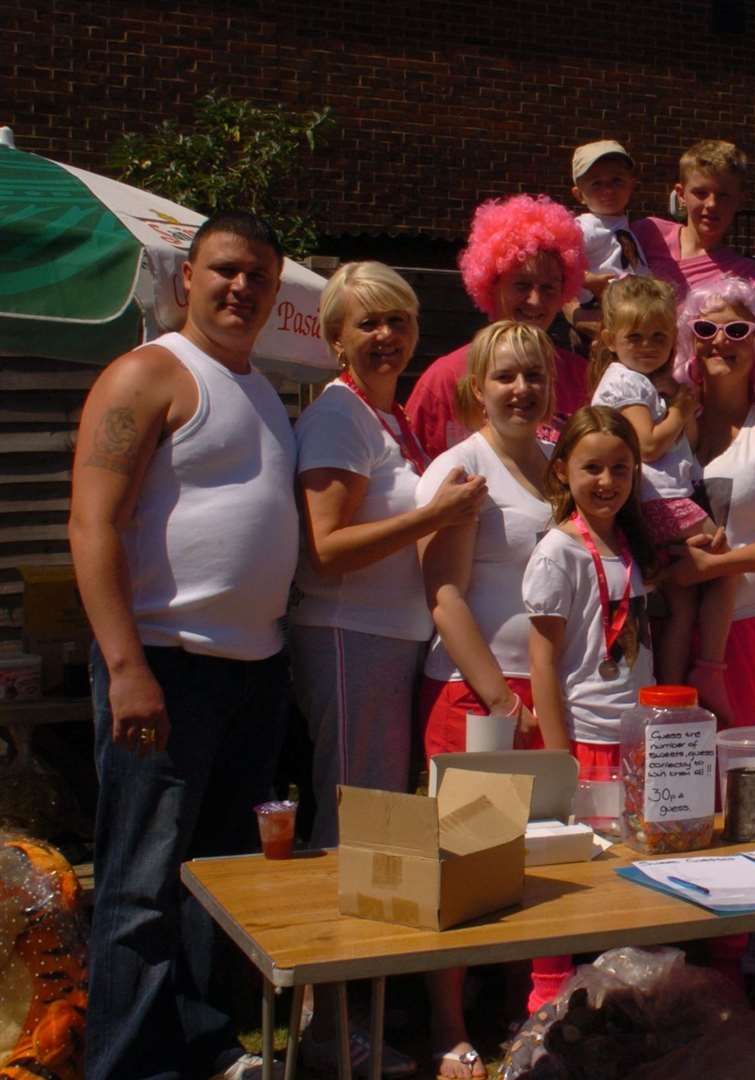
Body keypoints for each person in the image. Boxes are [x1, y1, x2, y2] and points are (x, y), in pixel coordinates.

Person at [69, 211, 295, 1080]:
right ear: (188, 276)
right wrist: (126, 667)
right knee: (137, 888)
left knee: (220, 883)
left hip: (252, 671)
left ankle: (203, 1044)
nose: (241, 289)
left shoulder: (265, 388)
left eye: (258, 278)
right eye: (226, 271)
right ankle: (126, 1067)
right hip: (164, 664)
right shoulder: (148, 374)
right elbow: (92, 524)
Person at [290, 262, 484, 1077]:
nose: (385, 336)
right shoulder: (339, 417)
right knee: (350, 832)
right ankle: (330, 1029)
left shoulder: (391, 418)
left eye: (397, 321)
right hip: (347, 636)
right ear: (335, 336)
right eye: (366, 323)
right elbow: (325, 551)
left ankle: (355, 1013)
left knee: (373, 827)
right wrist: (436, 515)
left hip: (388, 641)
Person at [415, 320, 558, 1078]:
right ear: (477, 387)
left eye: (533, 375)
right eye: (505, 375)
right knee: (463, 866)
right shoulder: (461, 468)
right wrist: (500, 698)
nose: (520, 389)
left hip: (543, 693)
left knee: (533, 863)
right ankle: (447, 1027)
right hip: (478, 695)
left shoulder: (555, 465)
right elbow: (441, 595)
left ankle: (519, 1011)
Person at [523, 405, 659, 1012]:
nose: (607, 481)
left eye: (621, 468)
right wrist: (560, 757)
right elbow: (543, 662)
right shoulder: (558, 551)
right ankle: (547, 1005)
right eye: (592, 468)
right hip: (585, 741)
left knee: (627, 877)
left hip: (635, 738)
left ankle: (617, 1006)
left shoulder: (630, 545)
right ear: (562, 474)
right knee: (570, 879)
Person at [669, 275, 755, 726]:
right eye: (705, 330)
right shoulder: (667, 427)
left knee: (745, 787)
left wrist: (713, 568)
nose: (719, 342)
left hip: (746, 639)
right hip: (667, 630)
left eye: (737, 331)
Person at [588, 275, 732, 686]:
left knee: (683, 604)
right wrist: (681, 410)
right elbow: (648, 445)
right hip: (659, 502)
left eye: (659, 336)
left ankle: (671, 685)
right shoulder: (627, 382)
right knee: (728, 560)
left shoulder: (646, 382)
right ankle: (707, 669)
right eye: (636, 337)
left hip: (660, 499)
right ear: (610, 339)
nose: (648, 346)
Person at [405, 194, 589, 458]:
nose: (535, 300)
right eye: (522, 285)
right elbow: (411, 475)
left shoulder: (583, 378)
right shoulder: (444, 380)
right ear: (492, 285)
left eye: (548, 287)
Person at [630, 139, 755, 301]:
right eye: (701, 193)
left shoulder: (745, 275)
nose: (711, 204)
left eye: (723, 195)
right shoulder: (647, 233)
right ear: (681, 194)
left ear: (740, 199)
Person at [569, 139, 647, 310]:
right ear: (579, 195)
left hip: (633, 304)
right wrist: (587, 280)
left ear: (631, 185)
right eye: (596, 183)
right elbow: (560, 266)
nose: (608, 190)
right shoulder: (582, 227)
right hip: (600, 305)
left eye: (617, 180)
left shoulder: (626, 227)